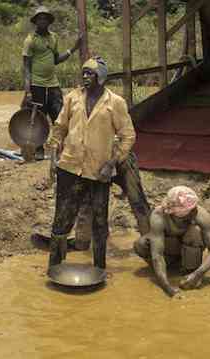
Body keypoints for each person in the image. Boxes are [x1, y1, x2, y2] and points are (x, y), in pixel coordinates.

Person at [44, 57, 135, 270]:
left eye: (90, 74)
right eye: (83, 73)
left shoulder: (115, 103)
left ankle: (99, 269)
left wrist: (111, 163)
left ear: (101, 78)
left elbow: (128, 136)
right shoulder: (72, 98)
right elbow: (59, 128)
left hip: (99, 172)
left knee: (100, 223)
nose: (85, 77)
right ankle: (54, 267)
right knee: (61, 220)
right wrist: (53, 158)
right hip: (69, 167)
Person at [134, 186, 210, 297]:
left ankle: (189, 271)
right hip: (169, 248)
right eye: (187, 213)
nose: (192, 213)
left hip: (190, 247)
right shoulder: (158, 216)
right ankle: (168, 267)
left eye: (192, 210)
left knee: (195, 233)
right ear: (172, 213)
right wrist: (166, 286)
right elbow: (157, 255)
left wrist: (198, 273)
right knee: (141, 244)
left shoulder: (202, 215)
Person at [22, 6, 82, 159]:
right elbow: (26, 67)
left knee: (59, 115)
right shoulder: (30, 41)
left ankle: (59, 147)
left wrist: (73, 49)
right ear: (36, 22)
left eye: (45, 18)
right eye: (40, 18)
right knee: (38, 117)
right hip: (37, 85)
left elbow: (55, 60)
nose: (43, 21)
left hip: (53, 84)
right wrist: (28, 90)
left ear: (49, 21)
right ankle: (39, 149)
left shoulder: (53, 38)